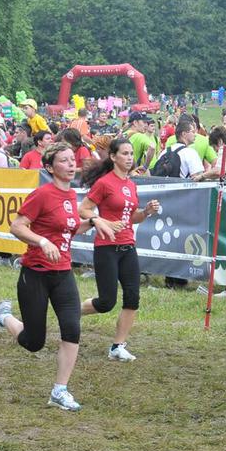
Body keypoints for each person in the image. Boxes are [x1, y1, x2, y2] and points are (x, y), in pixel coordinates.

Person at [0, 143, 95, 412]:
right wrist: (43, 242)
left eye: (72, 160)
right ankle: (3, 316)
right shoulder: (42, 194)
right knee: (34, 342)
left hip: (63, 272)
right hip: (35, 273)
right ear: (50, 167)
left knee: (72, 328)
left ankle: (59, 391)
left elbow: (69, 229)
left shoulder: (71, 195)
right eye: (64, 161)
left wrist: (93, 222)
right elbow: (17, 226)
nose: (71, 164)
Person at [78, 138, 160, 361]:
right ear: (113, 157)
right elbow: (84, 209)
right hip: (106, 247)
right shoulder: (104, 183)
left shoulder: (131, 185)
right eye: (125, 153)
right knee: (106, 302)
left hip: (128, 246)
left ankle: (117, 346)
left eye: (131, 153)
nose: (130, 158)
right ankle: (72, 311)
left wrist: (146, 212)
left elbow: (132, 218)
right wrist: (102, 221)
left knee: (133, 297)